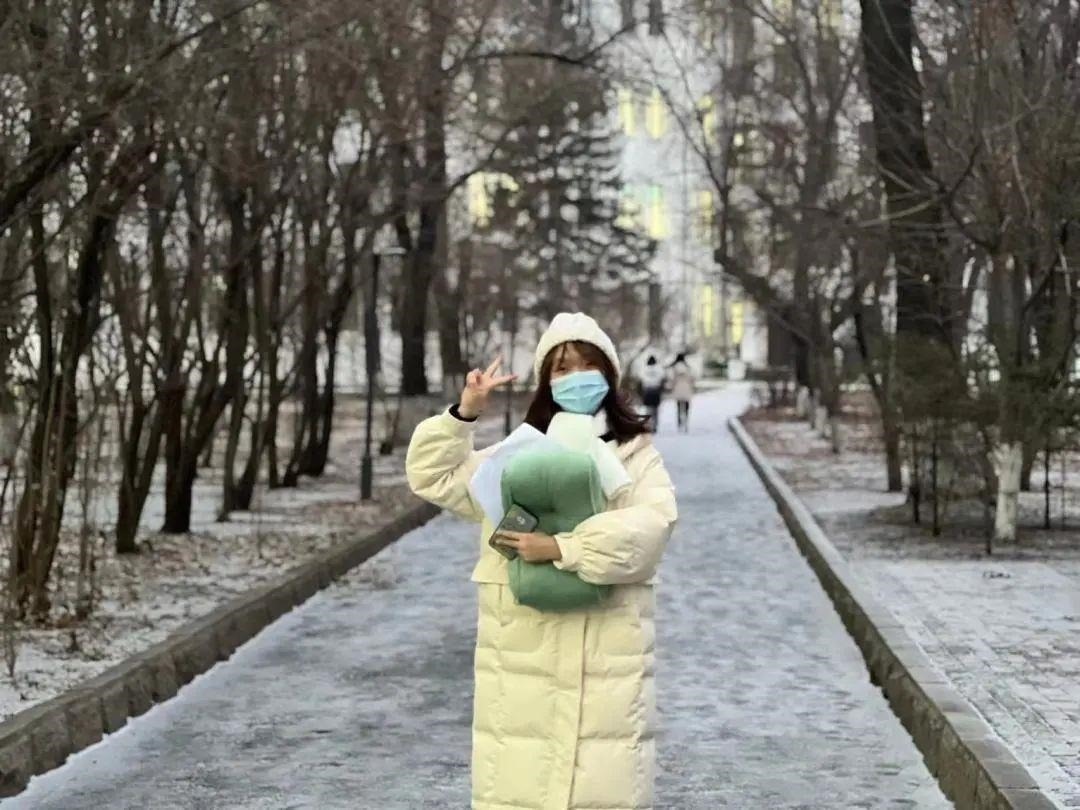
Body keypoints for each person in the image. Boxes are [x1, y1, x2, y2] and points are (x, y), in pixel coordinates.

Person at [406, 312, 678, 810]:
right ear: (546, 381)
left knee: (601, 790)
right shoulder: (519, 454)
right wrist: (464, 413)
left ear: (609, 374)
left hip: (606, 657)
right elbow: (433, 477)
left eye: (587, 365)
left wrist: (563, 549)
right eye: (562, 368)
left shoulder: (634, 456)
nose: (576, 378)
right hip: (520, 661)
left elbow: (652, 527)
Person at [669, 352, 695, 433]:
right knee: (686, 407)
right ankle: (686, 422)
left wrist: (671, 387)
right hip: (686, 388)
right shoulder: (688, 367)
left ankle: (679, 423)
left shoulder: (674, 367)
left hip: (678, 388)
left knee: (678, 407)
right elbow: (692, 379)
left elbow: (672, 379)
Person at [639, 353, 665, 430]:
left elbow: (641, 378)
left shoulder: (644, 369)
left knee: (648, 409)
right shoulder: (659, 369)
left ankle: (648, 424)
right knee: (655, 410)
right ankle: (655, 425)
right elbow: (662, 378)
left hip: (647, 391)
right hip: (656, 390)